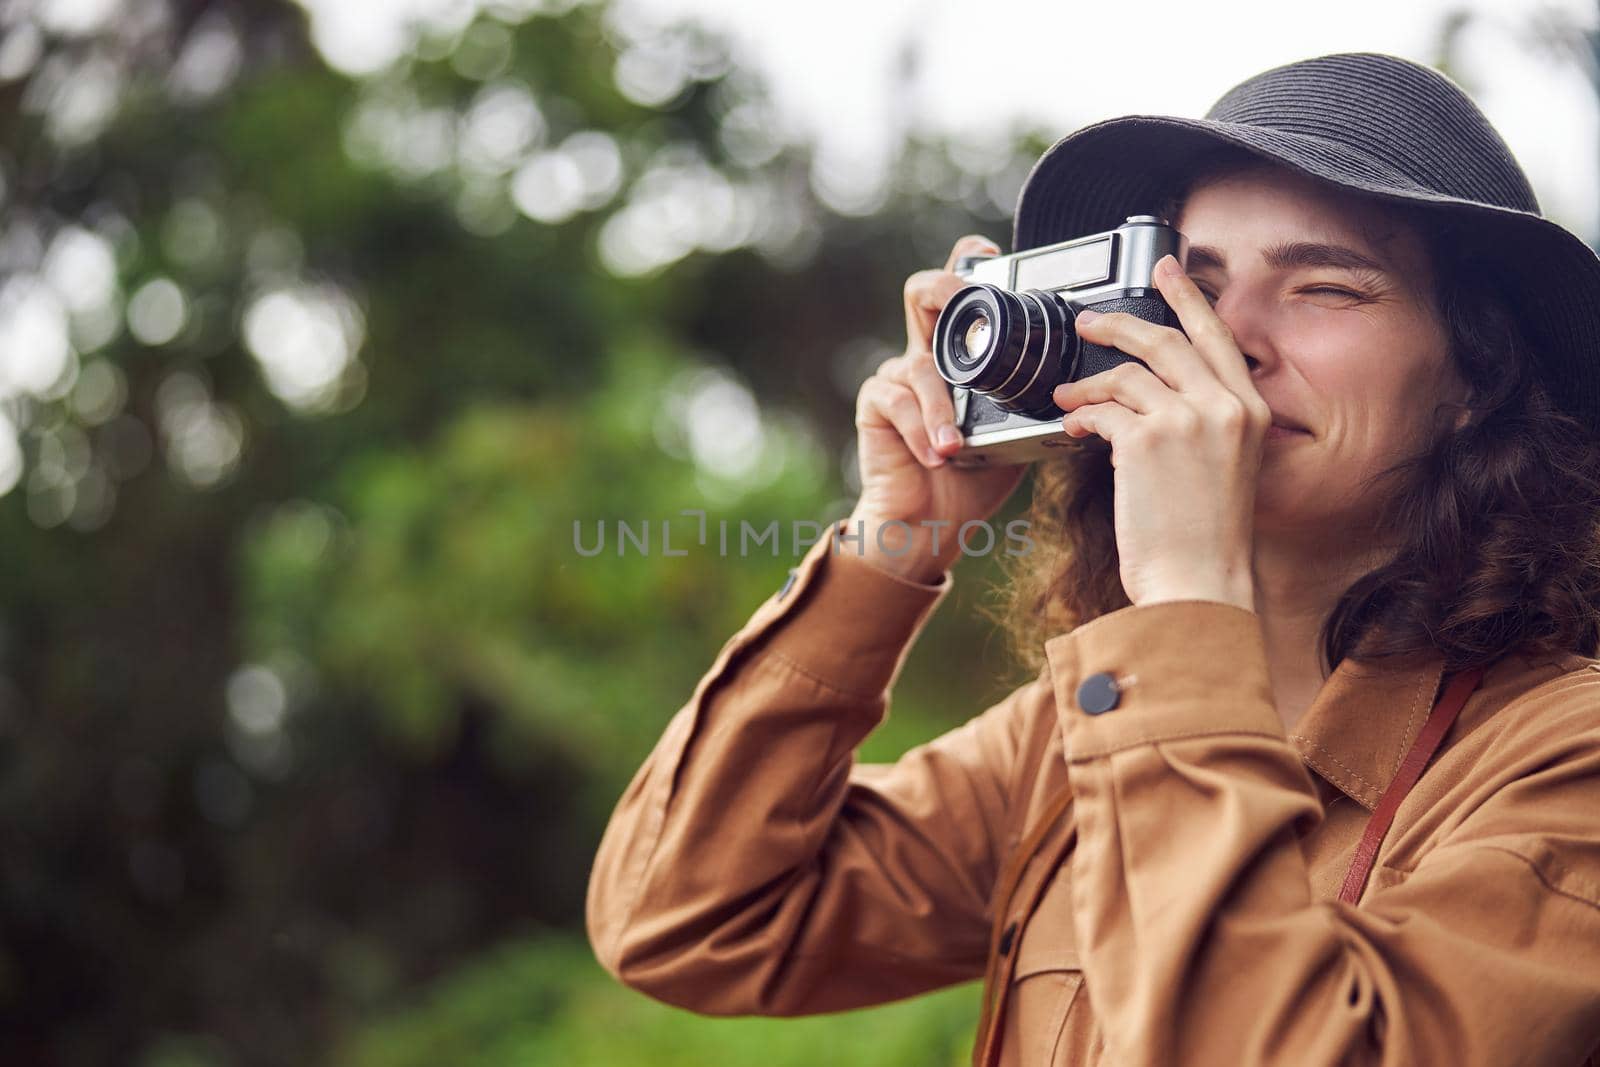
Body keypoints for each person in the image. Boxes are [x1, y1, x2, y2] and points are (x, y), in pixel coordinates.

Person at [585, 52, 1600, 1066]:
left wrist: (1186, 602)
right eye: (1188, 286)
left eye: (1325, 287)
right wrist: (898, 535)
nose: (1224, 337)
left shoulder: (1560, 758)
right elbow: (682, 915)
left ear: (1478, 373)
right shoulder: (1077, 738)